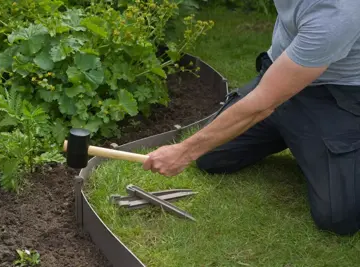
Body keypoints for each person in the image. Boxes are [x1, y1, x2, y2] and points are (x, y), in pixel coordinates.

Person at [142, 0, 360, 236]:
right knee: (211, 158)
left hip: (330, 97)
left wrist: (184, 152)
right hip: (279, 75)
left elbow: (262, 104)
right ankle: (297, 137)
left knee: (338, 217)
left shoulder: (337, 13)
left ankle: (330, 147)